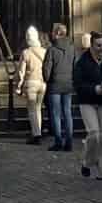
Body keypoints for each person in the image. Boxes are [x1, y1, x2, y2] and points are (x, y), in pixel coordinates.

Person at [73, 31, 102, 179]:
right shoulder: (82, 62)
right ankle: (87, 161)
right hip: (88, 102)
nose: (101, 48)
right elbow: (78, 84)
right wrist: (94, 89)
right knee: (94, 134)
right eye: (98, 45)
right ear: (91, 46)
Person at [44, 21, 76, 154]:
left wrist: (47, 80)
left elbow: (46, 68)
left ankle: (58, 141)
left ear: (57, 33)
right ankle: (69, 142)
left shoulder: (51, 49)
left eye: (53, 32)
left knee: (56, 114)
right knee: (67, 113)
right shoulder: (72, 48)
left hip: (55, 84)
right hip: (68, 83)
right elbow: (75, 66)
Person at [15, 24, 47, 144]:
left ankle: (36, 134)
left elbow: (21, 72)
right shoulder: (44, 51)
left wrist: (18, 85)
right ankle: (38, 130)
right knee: (38, 108)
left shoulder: (26, 52)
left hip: (31, 83)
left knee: (32, 110)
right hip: (42, 83)